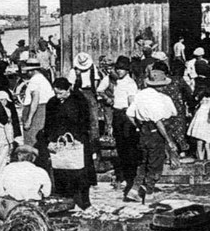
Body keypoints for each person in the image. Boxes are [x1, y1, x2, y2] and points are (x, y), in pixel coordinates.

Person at [124, 66, 181, 203]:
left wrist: (139, 126)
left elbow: (129, 114)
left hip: (143, 131)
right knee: (155, 163)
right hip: (155, 133)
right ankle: (149, 193)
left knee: (143, 162)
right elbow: (159, 122)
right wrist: (169, 140)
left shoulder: (140, 95)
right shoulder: (158, 98)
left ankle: (134, 189)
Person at [40, 78, 96, 209]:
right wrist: (49, 140)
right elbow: (48, 124)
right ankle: (66, 202)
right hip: (59, 140)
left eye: (61, 93)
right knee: (62, 170)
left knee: (80, 171)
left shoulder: (79, 101)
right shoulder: (52, 103)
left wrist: (77, 137)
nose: (58, 96)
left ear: (68, 89)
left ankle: (83, 201)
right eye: (56, 93)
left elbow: (85, 121)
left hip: (77, 140)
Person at [0, 145, 51, 231]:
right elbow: (47, 193)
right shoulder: (40, 171)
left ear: (18, 156)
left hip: (11, 208)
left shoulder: (8, 168)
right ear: (33, 158)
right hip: (32, 208)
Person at [97, 56, 139, 191]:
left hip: (126, 115)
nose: (120, 71)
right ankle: (122, 176)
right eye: (118, 68)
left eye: (123, 69)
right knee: (120, 146)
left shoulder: (130, 83)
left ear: (128, 70)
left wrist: (132, 119)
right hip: (117, 113)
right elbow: (101, 91)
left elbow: (132, 102)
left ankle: (129, 177)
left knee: (128, 147)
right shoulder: (115, 81)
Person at [153, 60, 192, 160]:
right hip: (177, 109)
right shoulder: (178, 80)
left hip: (162, 109)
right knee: (179, 129)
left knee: (166, 129)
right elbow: (188, 93)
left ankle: (168, 152)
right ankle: (182, 150)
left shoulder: (155, 83)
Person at [21, 59, 54, 164]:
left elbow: (35, 98)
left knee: (31, 141)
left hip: (36, 112)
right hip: (42, 110)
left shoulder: (34, 80)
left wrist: (29, 119)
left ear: (31, 71)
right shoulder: (43, 79)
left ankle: (32, 163)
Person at [67, 52, 101, 153]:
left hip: (90, 91)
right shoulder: (74, 71)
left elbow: (96, 80)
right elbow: (71, 86)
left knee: (93, 118)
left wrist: (94, 92)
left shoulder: (93, 68)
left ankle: (94, 143)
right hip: (79, 93)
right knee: (80, 117)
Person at [188, 61, 210, 161]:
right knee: (207, 143)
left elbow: (193, 97)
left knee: (199, 141)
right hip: (208, 118)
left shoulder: (197, 82)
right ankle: (208, 161)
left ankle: (200, 160)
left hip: (200, 115)